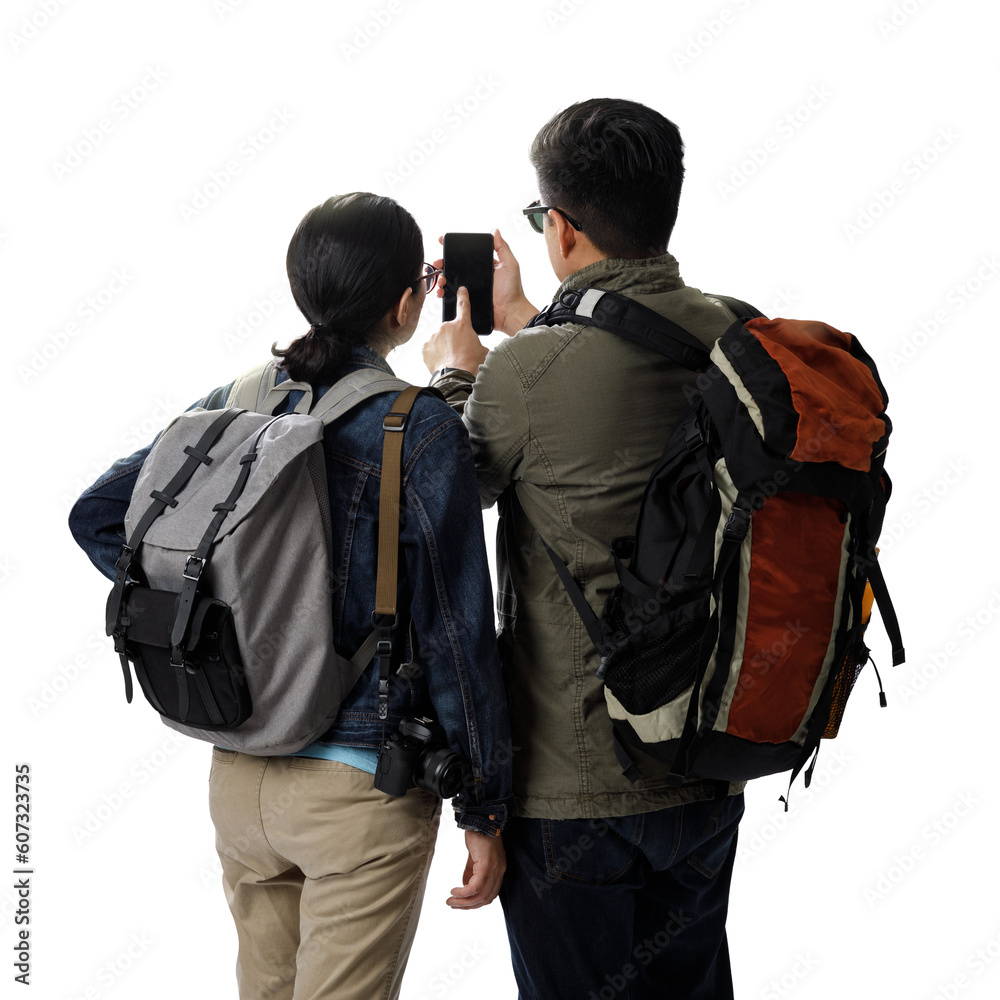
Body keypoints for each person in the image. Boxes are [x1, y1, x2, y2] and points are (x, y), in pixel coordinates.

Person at [69, 192, 512, 1000]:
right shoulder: (417, 428)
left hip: (238, 768)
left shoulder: (238, 400)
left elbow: (101, 515)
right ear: (406, 304)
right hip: (359, 786)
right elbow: (457, 633)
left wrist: (215, 617)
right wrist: (483, 808)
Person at [422, 99, 746, 1000]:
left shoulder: (524, 372)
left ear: (559, 228)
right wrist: (527, 315)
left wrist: (455, 373)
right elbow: (614, 379)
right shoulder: (735, 337)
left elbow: (447, 497)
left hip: (574, 786)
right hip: (706, 760)